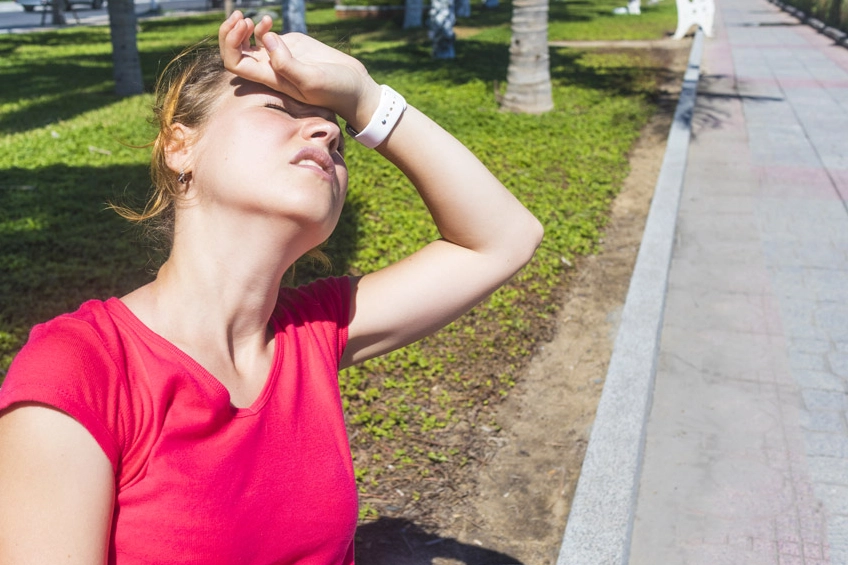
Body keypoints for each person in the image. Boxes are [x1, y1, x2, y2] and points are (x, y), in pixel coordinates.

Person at [0, 11, 543, 565]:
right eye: (278, 107)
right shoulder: (83, 369)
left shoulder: (312, 332)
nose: (330, 132)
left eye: (337, 132)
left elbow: (503, 239)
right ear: (179, 146)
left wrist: (364, 96)